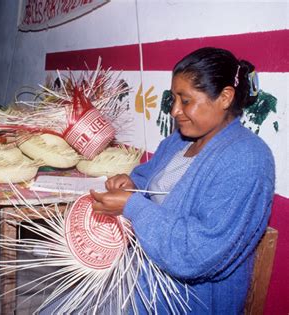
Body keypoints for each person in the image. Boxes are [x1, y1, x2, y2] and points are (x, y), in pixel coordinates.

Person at [86, 47, 275, 313]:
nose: (175, 110)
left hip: (186, 298)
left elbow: (197, 255)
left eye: (185, 100)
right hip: (141, 271)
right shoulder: (179, 141)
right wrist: (129, 182)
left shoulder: (248, 159)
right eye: (174, 99)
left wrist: (133, 207)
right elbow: (147, 178)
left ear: (225, 97)